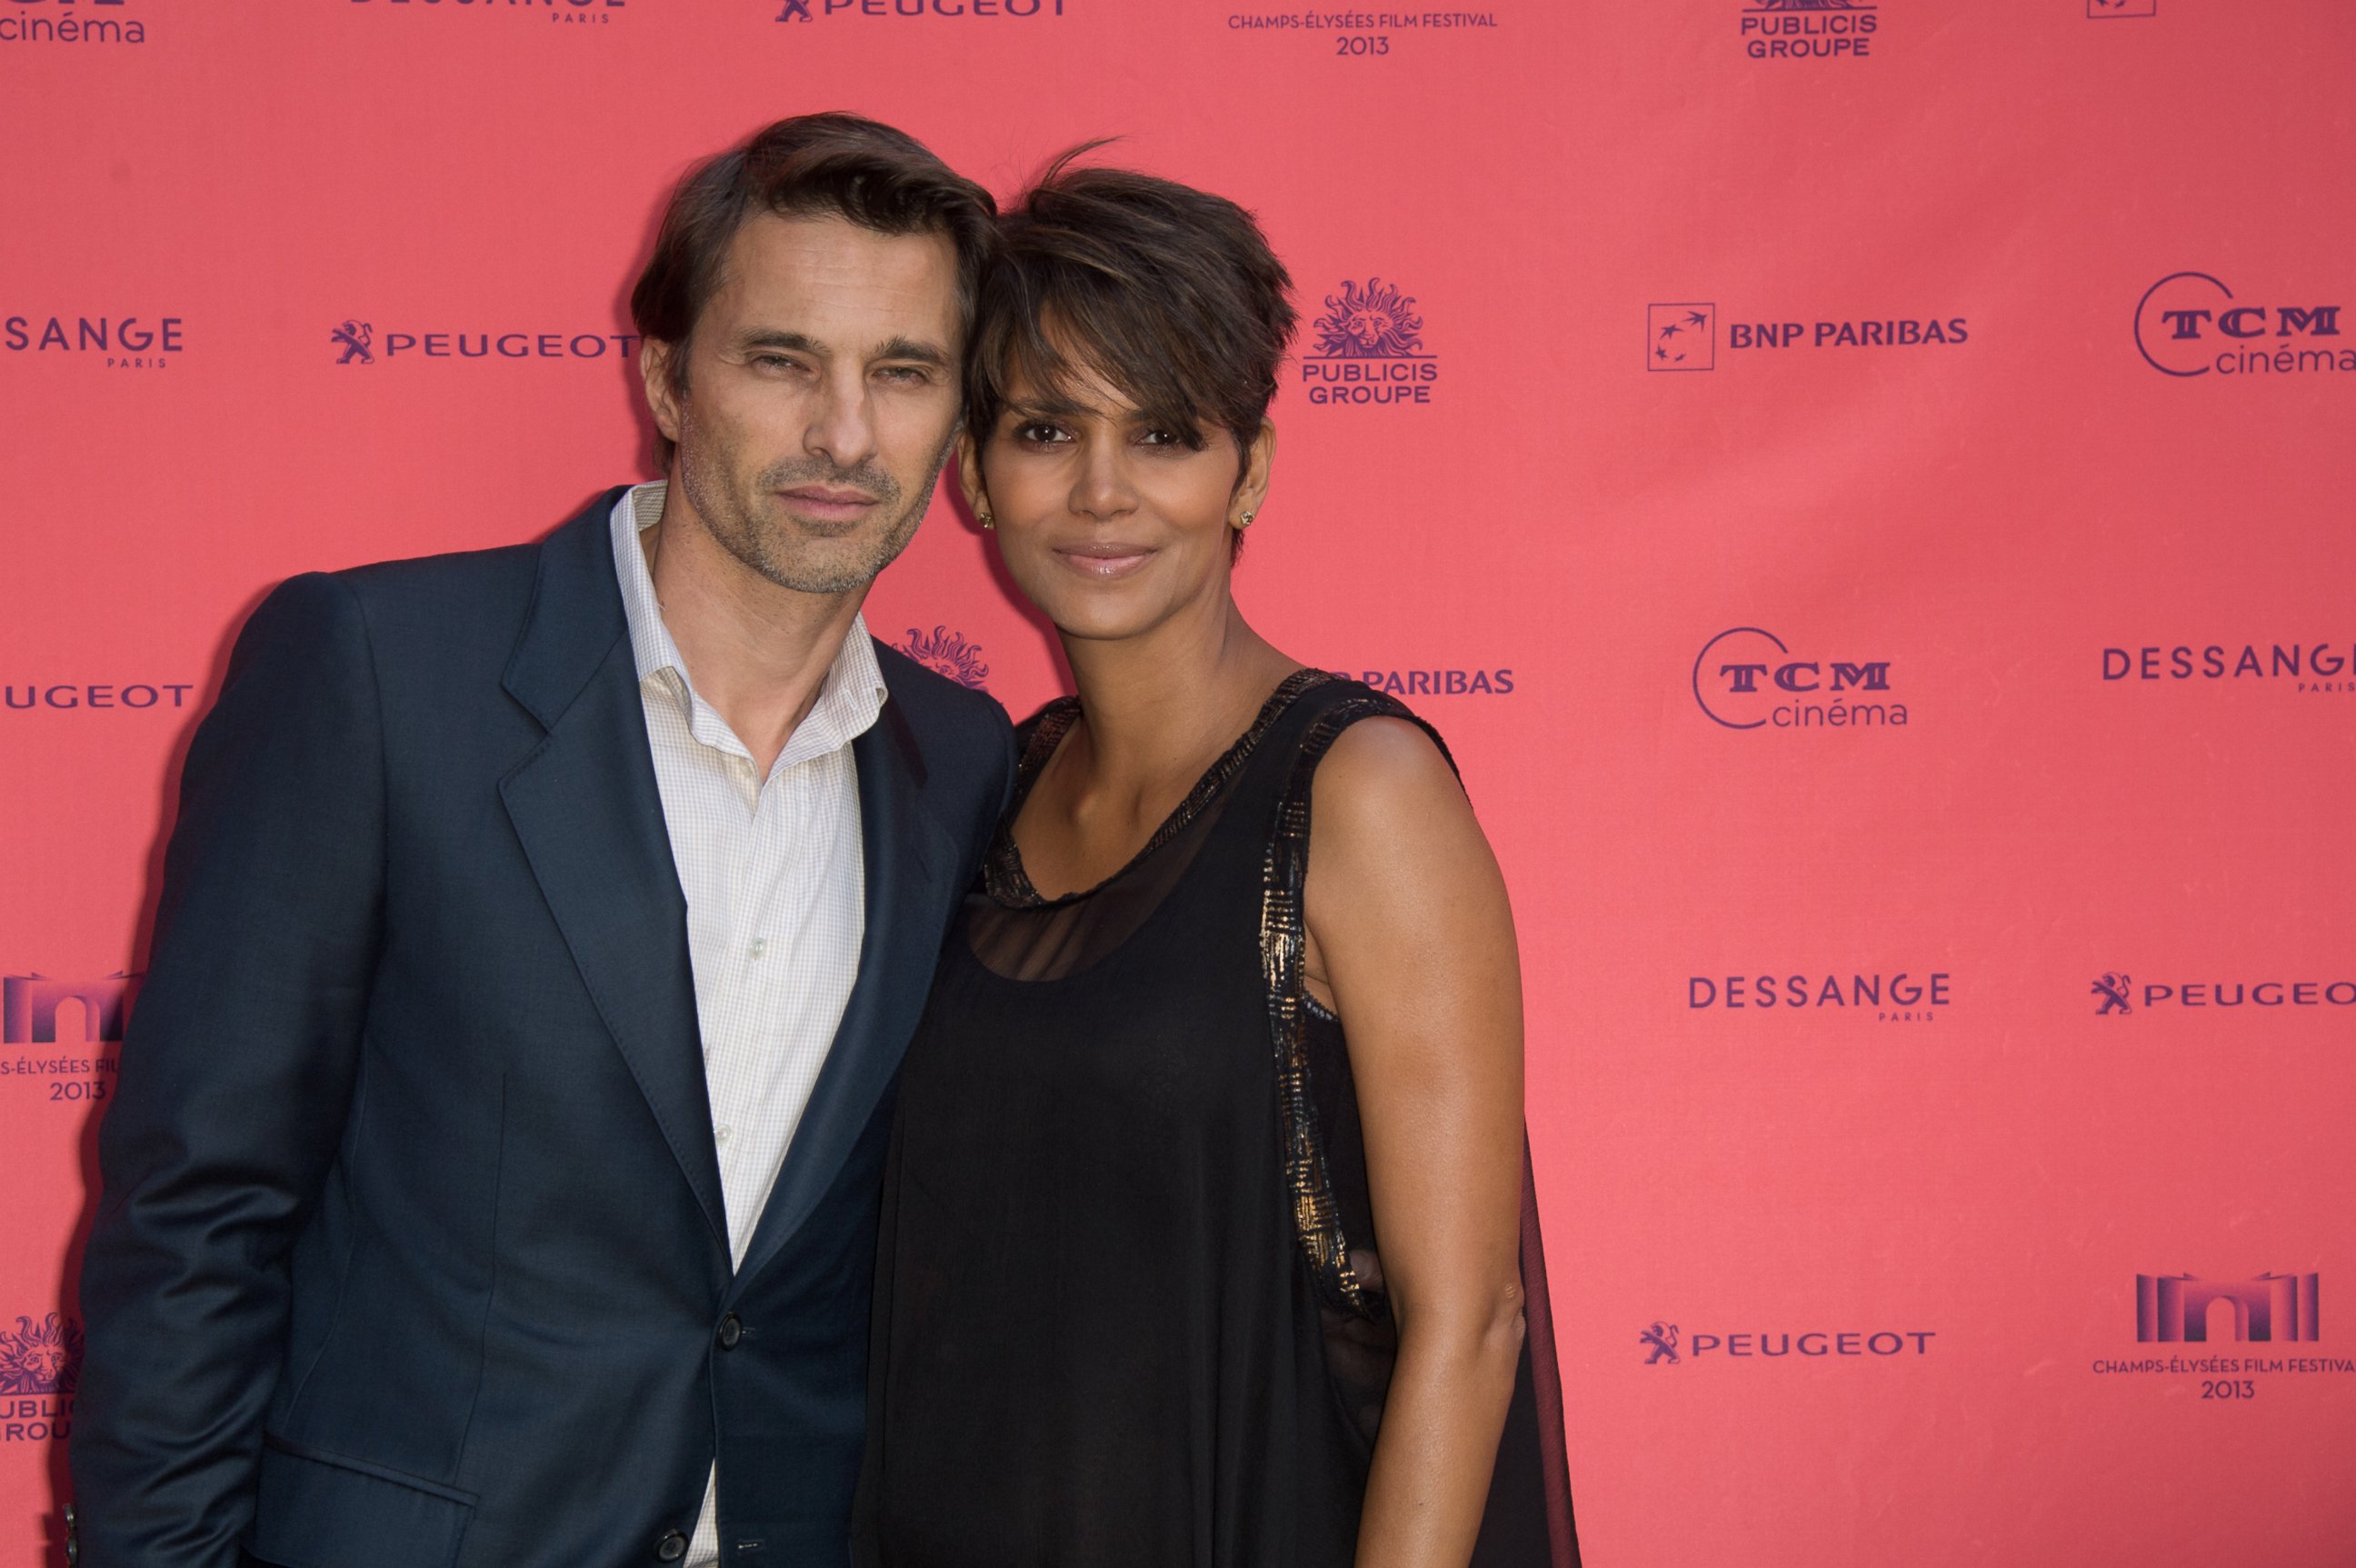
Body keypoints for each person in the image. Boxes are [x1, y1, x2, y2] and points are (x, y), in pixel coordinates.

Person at [70, 114, 1014, 1568]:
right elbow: (201, 1204)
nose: (844, 431)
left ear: (956, 416)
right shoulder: (383, 674)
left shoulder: (962, 762)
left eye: (902, 373)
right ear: (667, 378)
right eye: (781, 360)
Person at [855, 157, 1580, 1568]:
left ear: (1248, 468)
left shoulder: (1359, 792)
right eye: (1048, 428)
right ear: (972, 474)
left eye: (1168, 433)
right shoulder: (979, 793)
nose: (1104, 492)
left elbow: (1468, 1321)